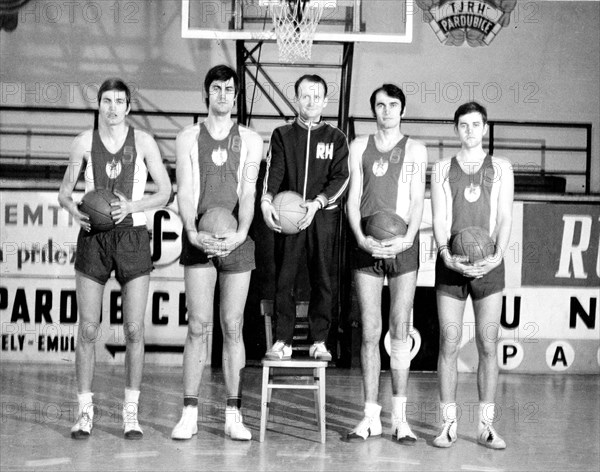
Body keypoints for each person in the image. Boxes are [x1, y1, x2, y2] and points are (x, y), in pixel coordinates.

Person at [58, 78, 172, 440]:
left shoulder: (144, 142)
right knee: (88, 328)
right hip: (93, 235)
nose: (112, 107)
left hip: (133, 235)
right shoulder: (82, 143)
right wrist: (74, 211)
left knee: (134, 330)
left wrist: (133, 206)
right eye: (106, 100)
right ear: (99, 105)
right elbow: (64, 193)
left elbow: (167, 189)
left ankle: (131, 413)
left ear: (128, 106)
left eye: (118, 101)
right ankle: (85, 413)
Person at [171, 65, 263, 441]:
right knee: (197, 326)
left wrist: (241, 233)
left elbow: (249, 192)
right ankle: (189, 412)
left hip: (236, 240)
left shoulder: (253, 140)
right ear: (206, 94)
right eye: (216, 89)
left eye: (229, 89)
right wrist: (192, 232)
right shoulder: (188, 137)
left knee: (232, 326)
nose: (222, 95)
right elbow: (185, 189)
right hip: (200, 238)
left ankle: (233, 413)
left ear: (236, 96)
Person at [345, 84, 428, 442]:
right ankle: (370, 417)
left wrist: (405, 239)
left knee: (399, 328)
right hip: (366, 242)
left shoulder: (416, 148)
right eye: (380, 105)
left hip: (403, 245)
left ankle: (400, 419)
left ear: (402, 110)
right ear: (373, 110)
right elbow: (352, 200)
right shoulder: (359, 146)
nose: (386, 110)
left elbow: (416, 199)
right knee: (368, 330)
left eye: (393, 105)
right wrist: (362, 239)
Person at [430, 101, 513, 449]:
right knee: (449, 341)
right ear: (456, 129)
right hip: (452, 263)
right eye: (463, 125)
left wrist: (496, 257)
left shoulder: (503, 168)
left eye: (475, 124)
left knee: (487, 344)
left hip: (489, 264)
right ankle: (448, 424)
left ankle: (485, 426)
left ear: (485, 128)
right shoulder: (440, 169)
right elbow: (438, 219)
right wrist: (446, 255)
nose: (469, 131)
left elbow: (506, 218)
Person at [261, 74, 349, 361]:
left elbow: (341, 177)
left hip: (322, 216)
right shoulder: (282, 135)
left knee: (323, 278)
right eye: (305, 96)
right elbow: (274, 172)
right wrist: (266, 200)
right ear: (297, 99)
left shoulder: (336, 138)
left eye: (316, 96)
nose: (311, 101)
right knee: (284, 278)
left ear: (325, 100)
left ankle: (319, 339)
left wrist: (318, 203)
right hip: (290, 215)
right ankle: (282, 339)